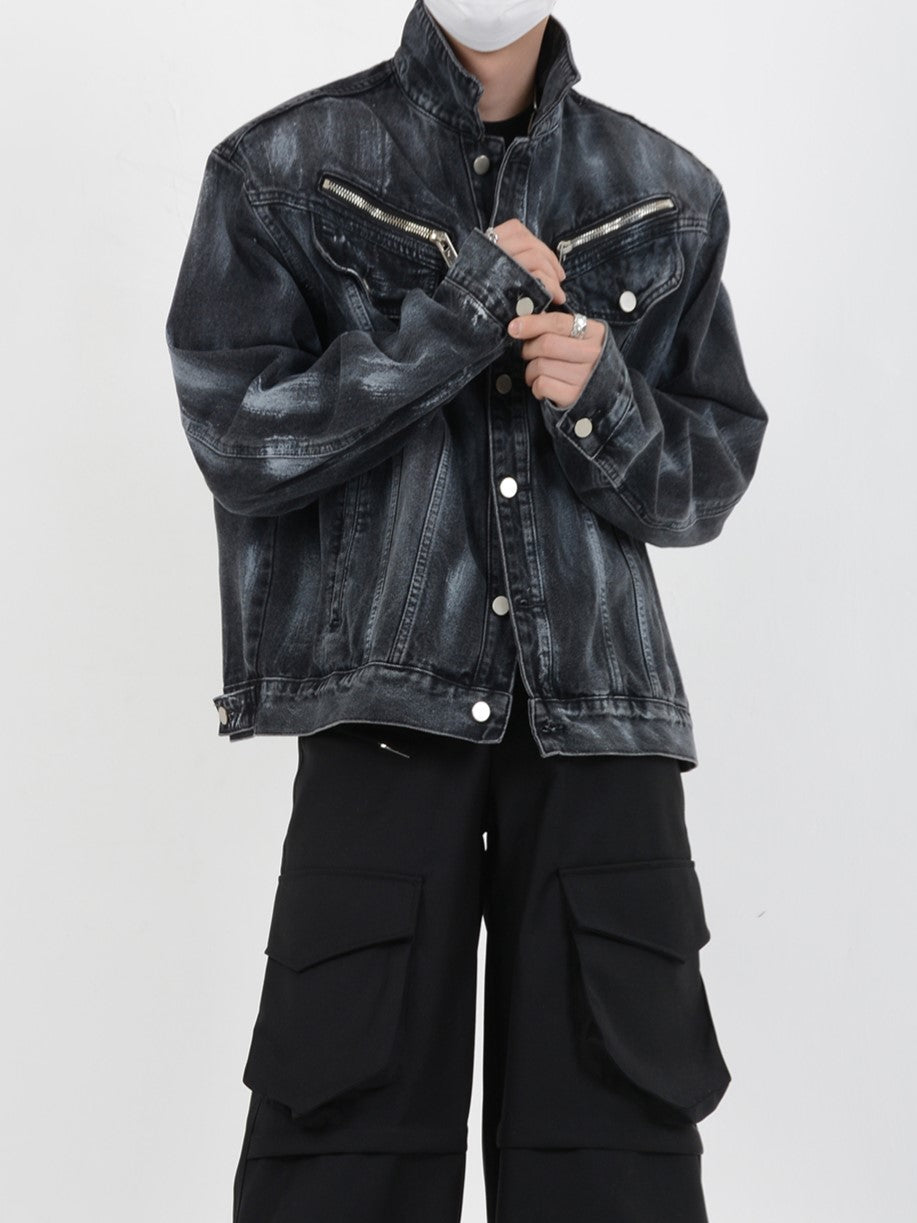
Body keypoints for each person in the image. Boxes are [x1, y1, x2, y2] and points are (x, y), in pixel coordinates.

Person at [165, 1, 768, 1219]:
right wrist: (458, 314)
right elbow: (236, 439)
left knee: (617, 1157)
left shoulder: (665, 190)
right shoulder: (279, 169)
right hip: (383, 718)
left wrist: (606, 400)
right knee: (338, 1146)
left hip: (597, 724)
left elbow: (706, 478)